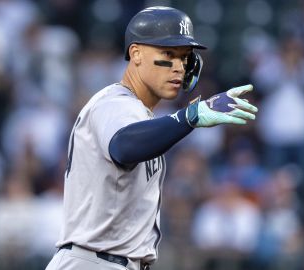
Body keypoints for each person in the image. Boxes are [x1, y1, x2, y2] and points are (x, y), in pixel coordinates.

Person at [45, 6, 257, 270]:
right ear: (136, 54)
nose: (179, 67)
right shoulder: (115, 103)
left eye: (185, 58)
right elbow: (124, 146)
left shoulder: (140, 115)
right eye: (168, 54)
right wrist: (188, 117)